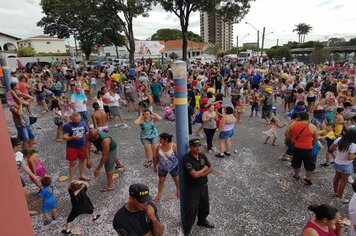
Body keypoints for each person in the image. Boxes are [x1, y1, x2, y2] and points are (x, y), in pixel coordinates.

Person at [182, 138, 214, 236]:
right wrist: (204, 169)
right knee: (192, 209)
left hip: (204, 185)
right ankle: (187, 228)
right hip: (193, 188)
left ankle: (202, 220)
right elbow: (194, 175)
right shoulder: (186, 158)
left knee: (205, 206)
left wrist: (200, 173)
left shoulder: (202, 155)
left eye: (199, 145)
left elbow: (211, 169)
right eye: (195, 146)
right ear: (190, 147)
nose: (198, 148)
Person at [285, 112, 318, 185]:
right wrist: (312, 144)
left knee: (296, 161)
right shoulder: (312, 126)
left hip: (296, 147)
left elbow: (286, 134)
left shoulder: (292, 124)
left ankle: (296, 175)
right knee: (309, 163)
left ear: (299, 117)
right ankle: (307, 178)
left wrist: (290, 141)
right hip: (308, 148)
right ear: (307, 118)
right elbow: (316, 138)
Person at [329, 129, 356, 203]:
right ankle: (340, 197)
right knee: (343, 182)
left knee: (336, 178)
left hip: (337, 162)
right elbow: (350, 158)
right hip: (346, 165)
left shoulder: (339, 139)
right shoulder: (352, 145)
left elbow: (331, 148)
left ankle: (336, 192)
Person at [63, 113, 90, 181]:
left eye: (78, 120)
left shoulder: (83, 123)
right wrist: (72, 137)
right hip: (72, 147)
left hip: (82, 146)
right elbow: (65, 137)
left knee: (82, 160)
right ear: (71, 118)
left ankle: (81, 175)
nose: (77, 121)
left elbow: (86, 133)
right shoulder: (67, 126)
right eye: (75, 120)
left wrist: (89, 144)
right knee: (73, 163)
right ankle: (72, 179)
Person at [153, 132, 179, 202]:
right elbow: (155, 158)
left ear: (166, 140)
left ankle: (178, 190)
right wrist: (154, 166)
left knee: (176, 180)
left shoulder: (174, 146)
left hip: (173, 166)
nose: (159, 140)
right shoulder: (158, 147)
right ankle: (159, 194)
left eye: (161, 139)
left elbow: (178, 156)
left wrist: (180, 167)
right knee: (161, 181)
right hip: (162, 167)